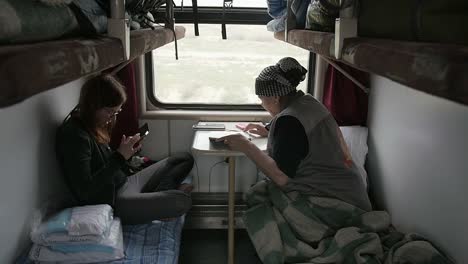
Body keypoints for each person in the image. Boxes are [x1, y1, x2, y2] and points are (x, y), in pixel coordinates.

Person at [218, 57, 371, 211]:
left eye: (262, 99)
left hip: (334, 201)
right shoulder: (309, 102)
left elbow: (281, 177)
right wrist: (268, 129)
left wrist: (246, 145)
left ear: (276, 97)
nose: (262, 104)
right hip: (351, 192)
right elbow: (303, 132)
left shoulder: (289, 122)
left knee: (256, 197)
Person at [56, 74, 194, 224]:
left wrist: (125, 153)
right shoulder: (75, 136)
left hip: (125, 182)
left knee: (183, 159)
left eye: (116, 112)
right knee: (181, 202)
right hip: (116, 200)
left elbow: (103, 166)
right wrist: (120, 157)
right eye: (109, 112)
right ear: (93, 105)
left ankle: (155, 199)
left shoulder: (92, 123)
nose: (112, 118)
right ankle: (159, 202)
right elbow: (86, 191)